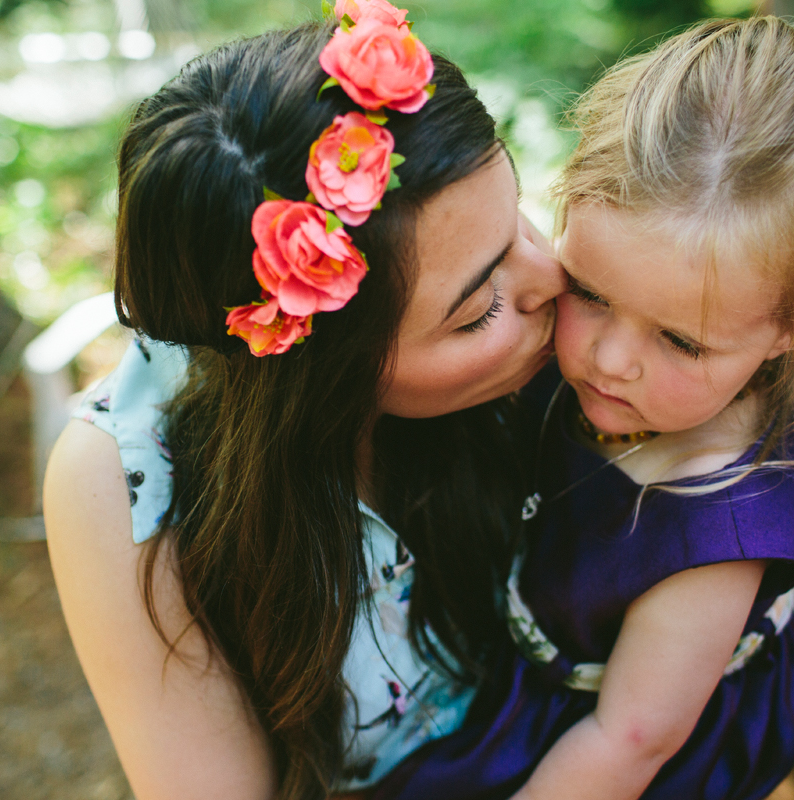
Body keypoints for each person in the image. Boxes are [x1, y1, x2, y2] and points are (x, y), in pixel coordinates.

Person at [43, 6, 566, 800]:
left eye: (519, 213)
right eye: (478, 310)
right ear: (327, 379)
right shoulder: (122, 483)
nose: (553, 276)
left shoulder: (589, 334)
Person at [373, 17, 794, 800]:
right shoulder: (598, 328)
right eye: (589, 290)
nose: (608, 359)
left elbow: (629, 741)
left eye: (682, 342)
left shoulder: (719, 530)